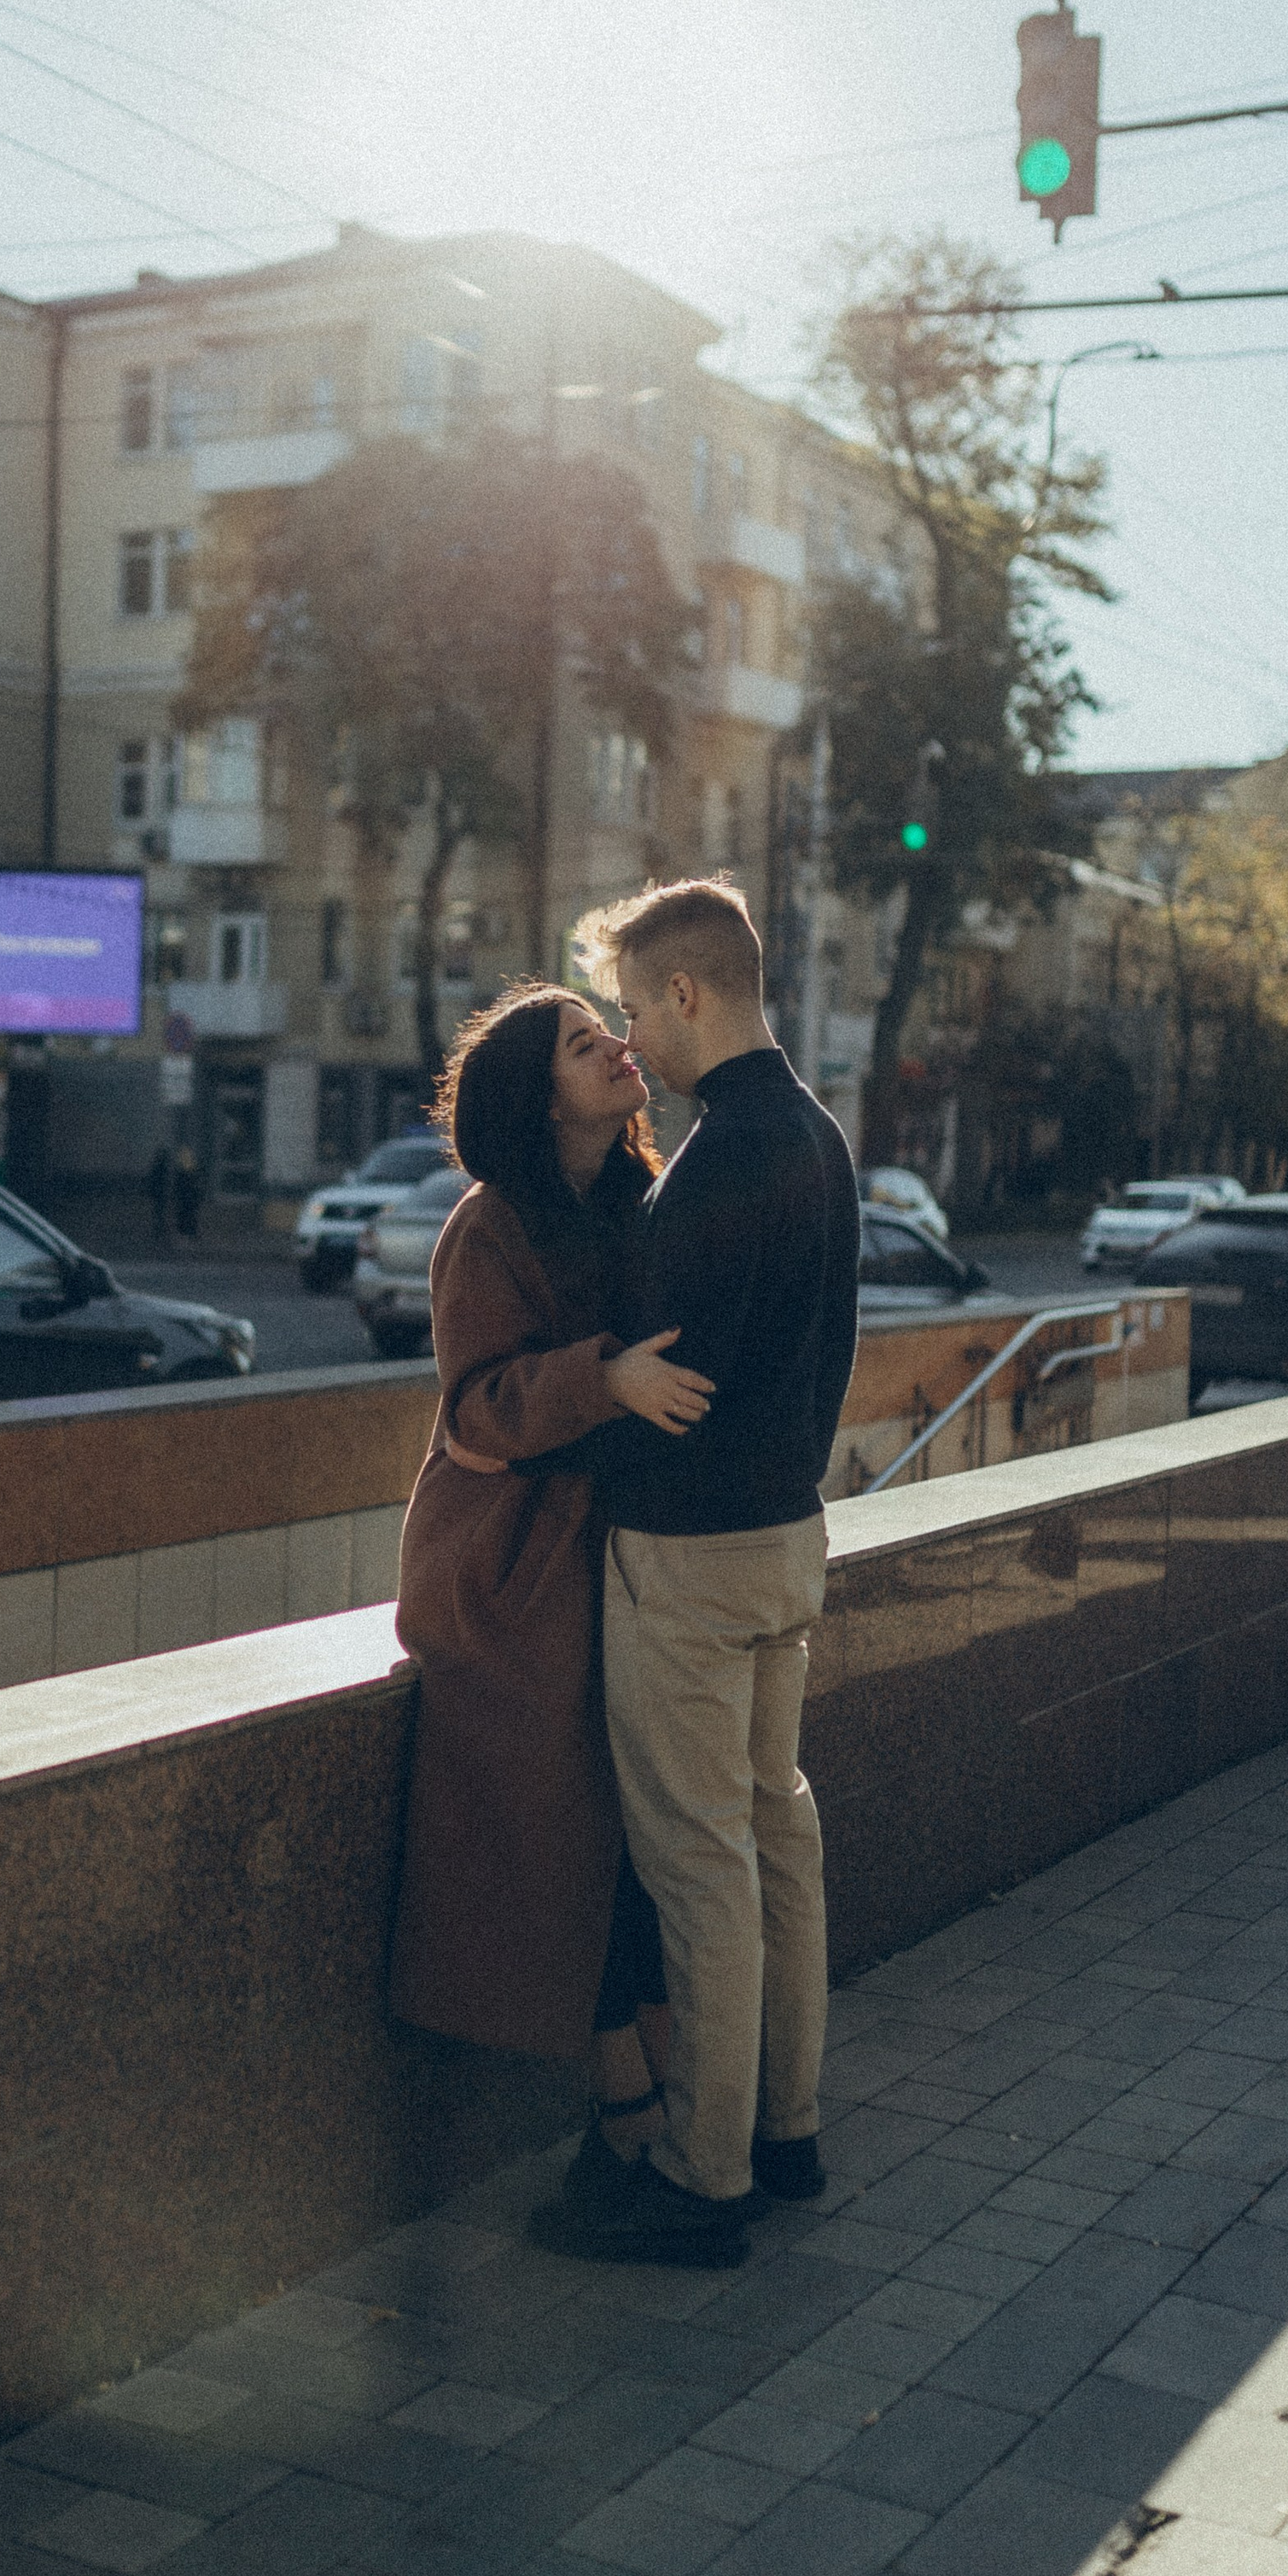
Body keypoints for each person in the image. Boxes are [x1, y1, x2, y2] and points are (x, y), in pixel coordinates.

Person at [539, 877, 860, 2271]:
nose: (631, 1041)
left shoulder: (723, 1158)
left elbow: (663, 1378)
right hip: (788, 1536)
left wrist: (606, 1386)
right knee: (775, 1830)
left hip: (689, 1559)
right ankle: (784, 2131)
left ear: (684, 994)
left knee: (702, 1868)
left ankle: (700, 2178)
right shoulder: (818, 1139)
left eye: (631, 1009)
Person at [388, 983, 715, 2142]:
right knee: (560, 1846)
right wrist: (604, 1381)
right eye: (587, 1045)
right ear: (543, 1098)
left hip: (621, 1560)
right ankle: (630, 2112)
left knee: (637, 1844)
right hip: (511, 1579)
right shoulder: (490, 1226)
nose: (620, 1049)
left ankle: (670, 2110)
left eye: (609, 1033)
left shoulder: (643, 1195)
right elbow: (477, 1410)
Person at [172, 1146, 203, 1238]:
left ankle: (186, 1231)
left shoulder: (183, 1172)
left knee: (187, 1214)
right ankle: (187, 1231)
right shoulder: (186, 1173)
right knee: (188, 1214)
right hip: (188, 1197)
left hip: (187, 1197)